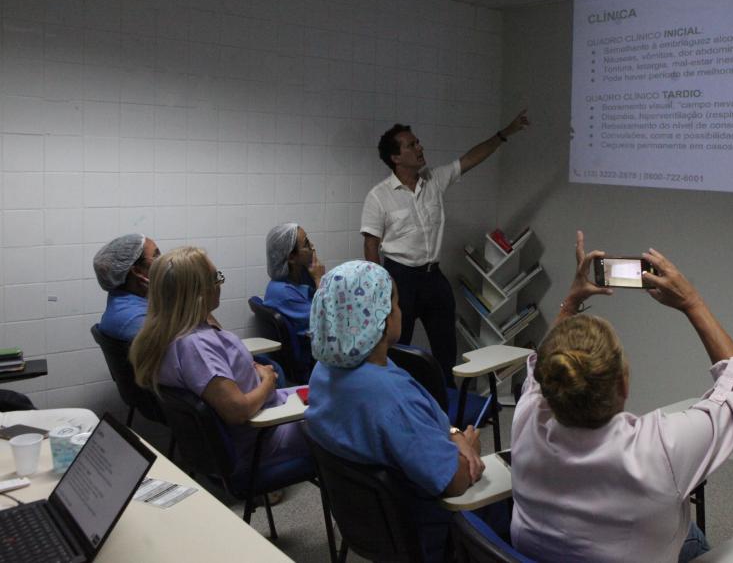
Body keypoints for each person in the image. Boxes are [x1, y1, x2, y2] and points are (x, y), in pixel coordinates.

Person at [510, 232, 733, 563]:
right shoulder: (661, 449)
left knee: (686, 531)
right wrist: (692, 302)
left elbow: (538, 370)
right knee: (690, 532)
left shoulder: (527, 416)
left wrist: (570, 302)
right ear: (623, 386)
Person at [305, 260, 488, 561]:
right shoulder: (391, 400)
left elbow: (422, 427)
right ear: (383, 318)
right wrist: (471, 449)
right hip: (424, 531)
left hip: (367, 527)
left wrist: (453, 434)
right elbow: (454, 481)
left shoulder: (324, 373)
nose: (400, 311)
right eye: (396, 304)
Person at [361, 111, 531, 384]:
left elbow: (471, 158)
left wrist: (505, 133)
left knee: (445, 350)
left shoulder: (435, 180)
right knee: (395, 350)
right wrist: (380, 291)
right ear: (395, 158)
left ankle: (448, 412)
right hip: (398, 279)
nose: (420, 147)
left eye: (418, 142)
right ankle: (397, 405)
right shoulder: (378, 196)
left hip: (433, 278)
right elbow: (371, 246)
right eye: (412, 145)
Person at [129, 246, 310, 475]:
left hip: (266, 418)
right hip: (263, 437)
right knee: (343, 412)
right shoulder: (196, 347)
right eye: (216, 278)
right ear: (198, 292)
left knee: (325, 394)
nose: (221, 284)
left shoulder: (169, 335)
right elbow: (238, 411)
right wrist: (267, 381)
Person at [262, 223, 325, 382]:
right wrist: (319, 278)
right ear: (291, 257)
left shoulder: (300, 277)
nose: (312, 247)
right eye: (306, 244)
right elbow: (324, 321)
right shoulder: (282, 292)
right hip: (311, 363)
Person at [93, 233, 160, 342]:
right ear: (137, 271)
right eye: (156, 256)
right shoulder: (135, 319)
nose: (163, 261)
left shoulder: (122, 299)